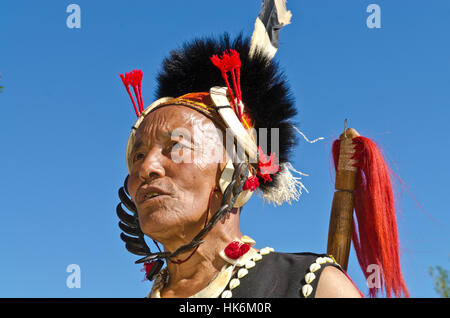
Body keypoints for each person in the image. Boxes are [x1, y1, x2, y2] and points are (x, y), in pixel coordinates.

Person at [116, 0, 395, 298]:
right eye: (139, 155)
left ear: (236, 170)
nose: (146, 169)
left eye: (176, 146)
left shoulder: (311, 286)